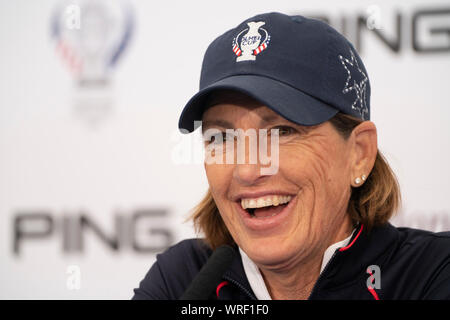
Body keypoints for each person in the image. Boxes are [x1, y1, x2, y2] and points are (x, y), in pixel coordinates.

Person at [133, 12, 450, 300]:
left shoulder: (431, 273)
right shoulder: (184, 278)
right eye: (223, 137)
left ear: (359, 153)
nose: (247, 169)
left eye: (282, 132)